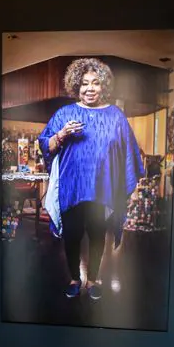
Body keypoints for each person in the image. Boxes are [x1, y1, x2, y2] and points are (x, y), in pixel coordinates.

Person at [39, 58, 144, 300]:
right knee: (72, 235)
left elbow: (129, 151)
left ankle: (94, 279)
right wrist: (63, 133)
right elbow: (46, 145)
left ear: (103, 86)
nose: (90, 88)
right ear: (77, 85)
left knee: (98, 237)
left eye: (95, 83)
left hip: (102, 190)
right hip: (71, 188)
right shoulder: (65, 113)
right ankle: (75, 278)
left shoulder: (116, 116)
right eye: (85, 83)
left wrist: (126, 183)